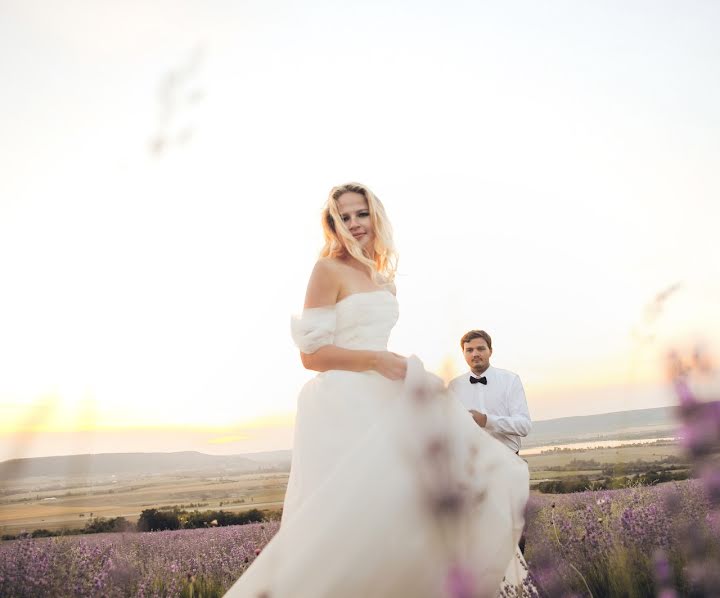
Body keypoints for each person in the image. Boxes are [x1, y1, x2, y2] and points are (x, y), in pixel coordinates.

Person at [224, 183, 530, 598]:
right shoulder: (326, 270)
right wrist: (377, 361)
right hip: (343, 402)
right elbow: (311, 355)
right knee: (352, 520)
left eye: (360, 214)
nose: (354, 224)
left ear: (375, 216)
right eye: (343, 217)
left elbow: (372, 340)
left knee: (420, 510)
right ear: (333, 226)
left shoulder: (382, 278)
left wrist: (394, 366)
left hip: (386, 391)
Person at [448, 330, 533, 455]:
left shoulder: (510, 380)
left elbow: (524, 426)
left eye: (480, 349)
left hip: (508, 462)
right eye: (469, 350)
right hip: (469, 466)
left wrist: (487, 421)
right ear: (463, 353)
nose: (475, 354)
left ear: (490, 351)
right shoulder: (454, 386)